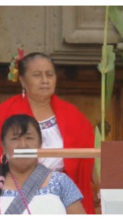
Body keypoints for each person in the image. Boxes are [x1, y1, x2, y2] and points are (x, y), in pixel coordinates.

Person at [0, 52, 95, 214]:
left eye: (49, 74)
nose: (45, 80)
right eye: (37, 75)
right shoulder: (5, 112)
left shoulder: (73, 115)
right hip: (13, 186)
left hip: (59, 191)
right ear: (22, 80)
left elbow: (87, 163)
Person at [0, 114, 85, 214]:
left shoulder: (60, 182)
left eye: (29, 138)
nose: (23, 145)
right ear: (3, 146)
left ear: (40, 144)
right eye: (15, 139)